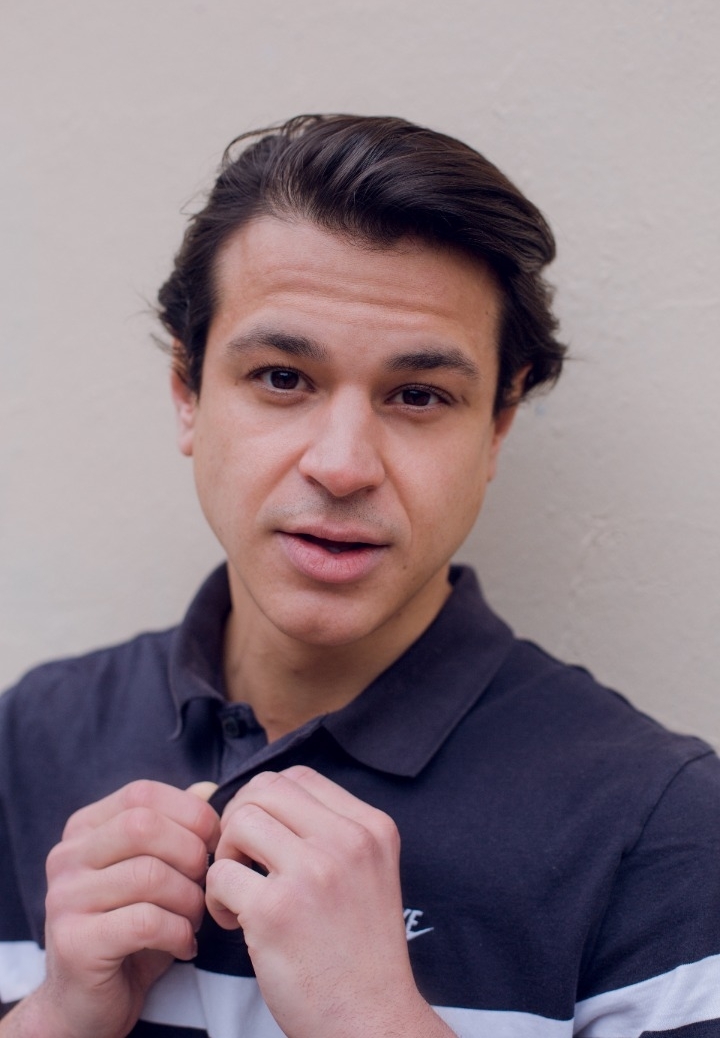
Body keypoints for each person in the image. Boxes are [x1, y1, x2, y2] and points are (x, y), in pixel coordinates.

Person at [1, 114, 718, 1038]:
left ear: (497, 425)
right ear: (188, 392)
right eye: (282, 377)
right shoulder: (29, 743)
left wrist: (370, 1017)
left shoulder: (658, 824)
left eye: (418, 395)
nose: (342, 466)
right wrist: (57, 1015)